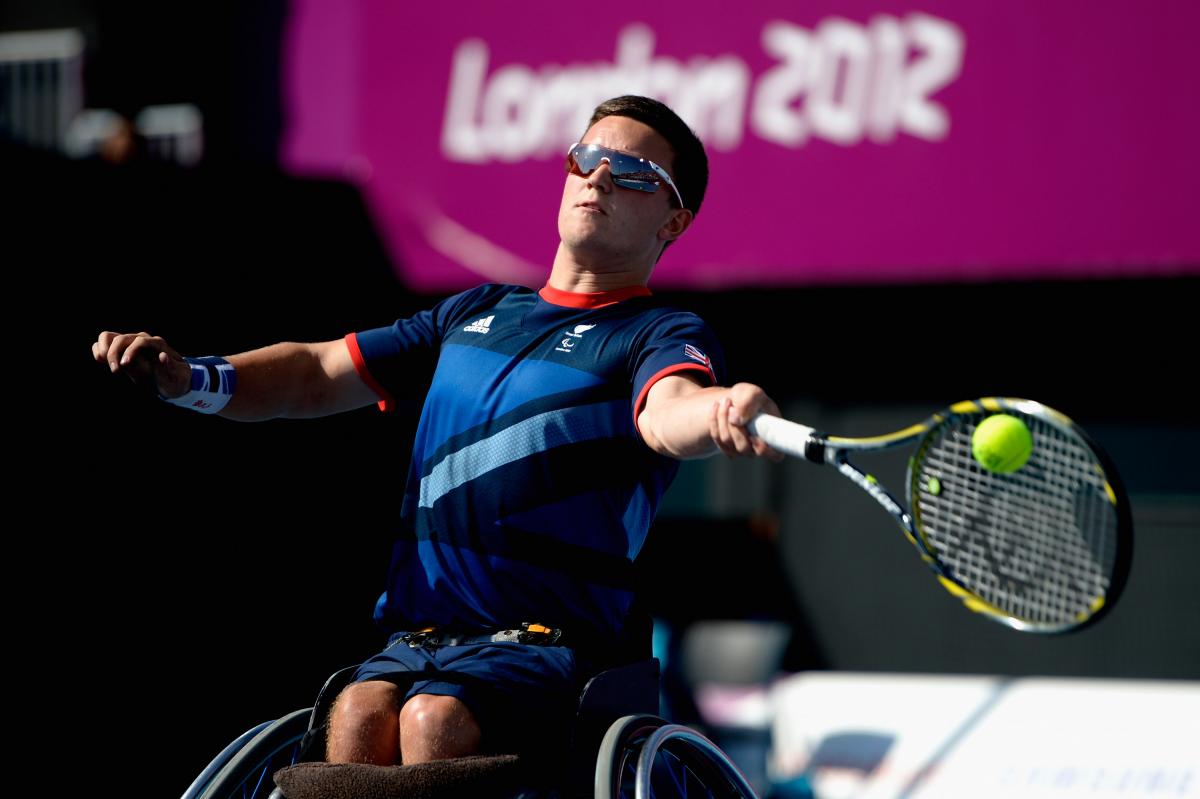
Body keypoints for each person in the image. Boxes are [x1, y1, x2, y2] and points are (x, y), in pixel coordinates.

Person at [92, 95, 781, 767]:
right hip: (422, 635)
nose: (598, 177)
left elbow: (668, 411)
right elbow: (317, 371)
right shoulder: (472, 313)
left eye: (631, 172)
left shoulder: (656, 333)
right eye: (587, 158)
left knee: (435, 721)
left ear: (674, 221)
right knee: (360, 714)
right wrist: (191, 380)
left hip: (554, 645)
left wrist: (719, 411)